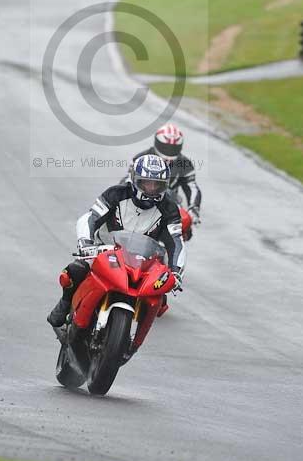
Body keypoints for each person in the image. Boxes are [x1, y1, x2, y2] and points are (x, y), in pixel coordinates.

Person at [47, 153, 186, 327]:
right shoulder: (116, 193)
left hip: (142, 262)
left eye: (157, 185)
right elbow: (90, 217)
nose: (151, 188)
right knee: (75, 270)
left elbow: (176, 242)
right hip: (105, 252)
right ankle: (65, 302)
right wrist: (85, 243)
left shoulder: (170, 208)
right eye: (146, 183)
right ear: (135, 180)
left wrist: (176, 272)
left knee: (159, 299)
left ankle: (133, 338)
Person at [125, 124, 202, 228]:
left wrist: (194, 208)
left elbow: (192, 187)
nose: (169, 151)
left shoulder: (185, 164)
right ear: (157, 143)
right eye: (165, 147)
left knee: (185, 229)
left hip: (169, 206)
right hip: (139, 204)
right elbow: (127, 181)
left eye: (173, 148)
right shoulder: (140, 158)